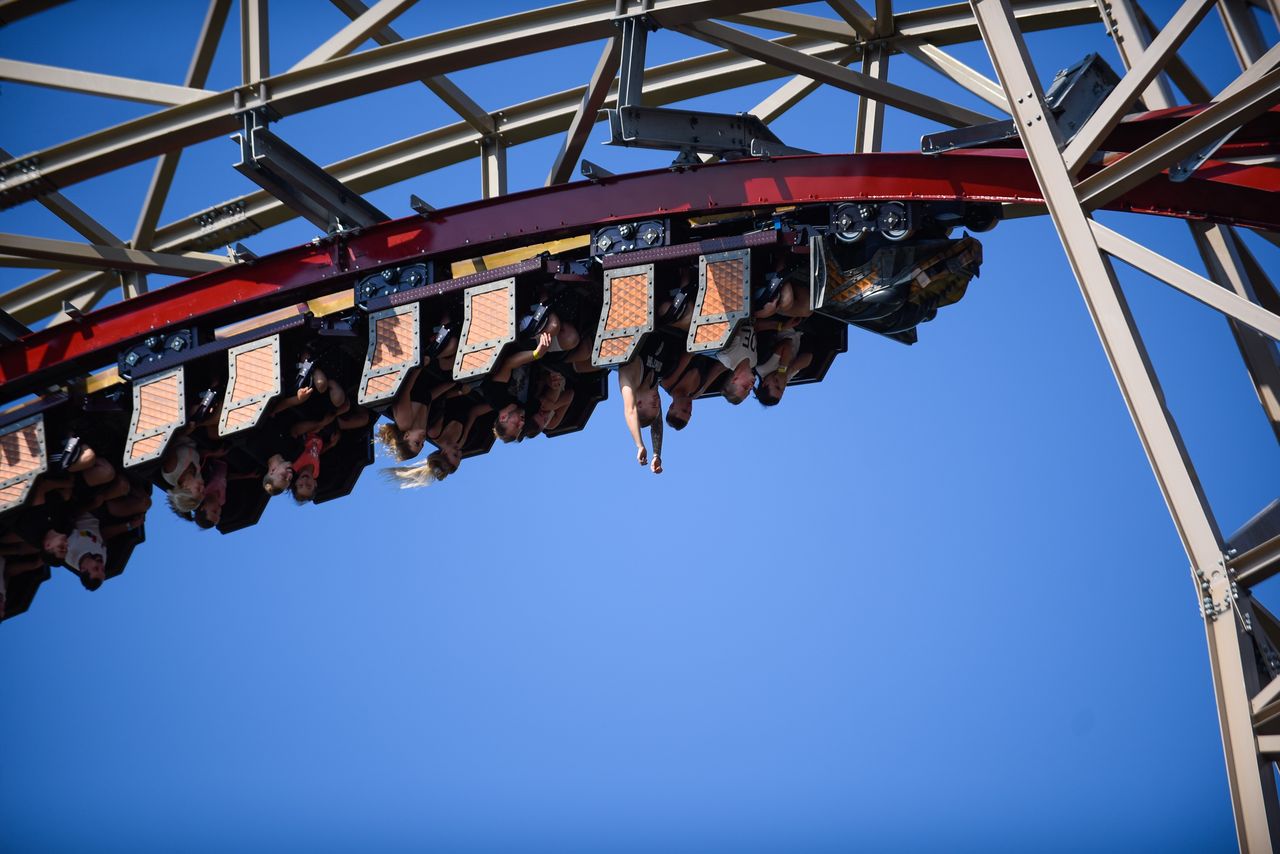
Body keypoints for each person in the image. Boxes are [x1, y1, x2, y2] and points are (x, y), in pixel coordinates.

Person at [616, 333, 684, 474]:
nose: (658, 401)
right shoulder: (653, 384)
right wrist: (656, 454)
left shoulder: (630, 375)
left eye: (653, 404)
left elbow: (630, 410)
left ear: (638, 403)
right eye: (658, 405)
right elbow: (657, 423)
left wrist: (640, 445)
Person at [753, 326, 813, 407]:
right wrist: (789, 371)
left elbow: (787, 343)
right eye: (782, 390)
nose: (782, 385)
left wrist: (782, 370)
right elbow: (808, 357)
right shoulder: (784, 378)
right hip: (803, 331)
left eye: (777, 387)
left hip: (788, 324)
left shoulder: (763, 368)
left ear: (765, 384)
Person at [65, 511, 107, 591]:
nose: (101, 565)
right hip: (101, 516)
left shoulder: (69, 552)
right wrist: (129, 525)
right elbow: (104, 537)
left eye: (96, 568)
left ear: (83, 569)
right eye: (103, 570)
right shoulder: (102, 560)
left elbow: (68, 517)